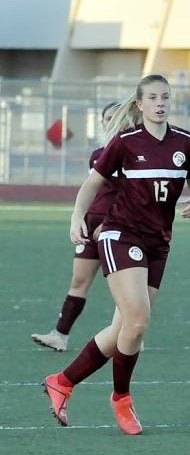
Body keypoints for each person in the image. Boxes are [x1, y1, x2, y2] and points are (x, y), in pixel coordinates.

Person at [42, 74, 190, 435]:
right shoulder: (126, 142)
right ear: (140, 104)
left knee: (123, 329)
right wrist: (75, 217)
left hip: (159, 243)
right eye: (152, 97)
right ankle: (121, 399)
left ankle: (63, 381)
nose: (160, 103)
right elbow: (92, 184)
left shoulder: (186, 141)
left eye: (165, 96)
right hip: (120, 236)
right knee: (136, 322)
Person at [31, 101, 122, 351]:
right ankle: (60, 335)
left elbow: (134, 196)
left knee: (124, 286)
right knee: (79, 280)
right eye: (108, 118)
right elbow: (92, 191)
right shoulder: (97, 155)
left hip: (118, 228)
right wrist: (81, 217)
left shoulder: (134, 156)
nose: (112, 122)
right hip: (90, 225)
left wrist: (111, 223)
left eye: (117, 117)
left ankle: (131, 335)